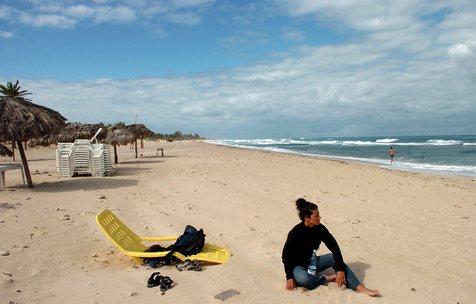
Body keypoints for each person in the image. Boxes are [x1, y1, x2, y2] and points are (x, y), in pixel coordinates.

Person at [282, 198, 379, 297]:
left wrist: (340, 269)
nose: (319, 217)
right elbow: (285, 256)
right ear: (307, 218)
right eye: (316, 215)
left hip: (313, 261)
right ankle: (325, 279)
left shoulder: (320, 229)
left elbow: (334, 247)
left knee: (334, 257)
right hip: (298, 266)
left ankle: (358, 287)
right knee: (303, 280)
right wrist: (289, 277)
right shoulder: (295, 233)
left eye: (319, 214)